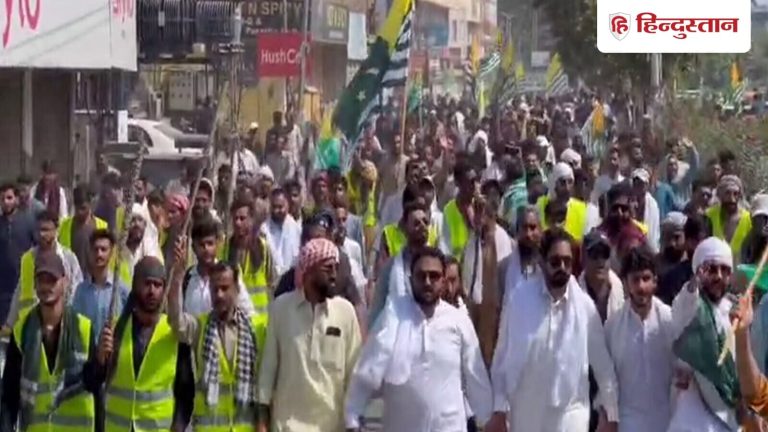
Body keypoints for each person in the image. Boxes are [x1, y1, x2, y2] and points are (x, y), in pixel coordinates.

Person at [345, 247, 492, 432]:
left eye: (434, 276)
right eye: (421, 276)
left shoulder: (458, 320)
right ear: (410, 279)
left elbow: (475, 373)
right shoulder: (393, 315)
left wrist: (487, 418)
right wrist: (352, 415)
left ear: (444, 280)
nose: (427, 282)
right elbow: (368, 366)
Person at [486, 228, 619, 432]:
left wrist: (610, 413)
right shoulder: (519, 299)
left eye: (567, 261)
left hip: (570, 414)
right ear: (541, 261)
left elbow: (603, 365)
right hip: (527, 414)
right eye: (555, 262)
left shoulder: (584, 307)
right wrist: (498, 409)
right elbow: (502, 357)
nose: (562, 268)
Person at [257, 238, 362, 432]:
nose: (334, 275)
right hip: (287, 426)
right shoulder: (281, 308)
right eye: (327, 269)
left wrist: (353, 423)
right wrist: (262, 421)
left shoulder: (345, 312)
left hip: (331, 427)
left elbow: (354, 374)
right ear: (309, 271)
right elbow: (268, 368)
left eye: (336, 268)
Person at [82, 257, 194, 432]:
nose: (152, 291)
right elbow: (91, 382)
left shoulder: (173, 334)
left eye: (157, 285)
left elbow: (186, 392)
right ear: (135, 285)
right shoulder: (117, 331)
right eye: (147, 284)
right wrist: (99, 360)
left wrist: (178, 427)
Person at [167, 239, 264, 431]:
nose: (219, 295)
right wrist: (177, 276)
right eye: (215, 289)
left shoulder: (256, 329)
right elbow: (176, 321)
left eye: (225, 288)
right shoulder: (201, 326)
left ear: (237, 289)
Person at [0, 252, 95, 431]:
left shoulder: (84, 329)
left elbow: (95, 384)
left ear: (65, 282)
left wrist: (101, 363)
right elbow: (9, 396)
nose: (46, 286)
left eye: (52, 280)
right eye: (41, 280)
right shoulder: (21, 332)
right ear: (35, 285)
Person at [668, 237, 739, 432]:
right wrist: (694, 284)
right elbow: (685, 304)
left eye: (725, 270)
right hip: (692, 419)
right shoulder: (691, 306)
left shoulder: (735, 311)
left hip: (729, 417)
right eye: (711, 269)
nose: (718, 276)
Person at [604, 246, 675, 432]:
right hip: (628, 421)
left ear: (655, 281)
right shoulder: (613, 326)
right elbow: (607, 380)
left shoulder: (669, 320)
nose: (641, 287)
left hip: (666, 420)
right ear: (626, 283)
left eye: (646, 278)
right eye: (635, 280)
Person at [461, 181, 512, 367]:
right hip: (472, 311)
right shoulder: (473, 237)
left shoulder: (501, 238)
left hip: (492, 314)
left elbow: (500, 280)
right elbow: (467, 277)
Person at [5, 211, 83, 327]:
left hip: (59, 322)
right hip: (31, 323)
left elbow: (77, 290)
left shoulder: (68, 258)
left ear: (56, 230)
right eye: (39, 230)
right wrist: (10, 322)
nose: (42, 234)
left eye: (46, 230)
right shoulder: (28, 258)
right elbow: (20, 291)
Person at [369, 201, 433, 328]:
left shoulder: (437, 265)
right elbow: (377, 311)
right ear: (404, 228)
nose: (422, 226)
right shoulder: (390, 268)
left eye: (425, 222)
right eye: (416, 223)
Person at [182, 217, 256, 317]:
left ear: (217, 244)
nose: (206, 249)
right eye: (201, 245)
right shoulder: (187, 279)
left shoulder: (228, 275)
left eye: (210, 243)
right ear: (193, 247)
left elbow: (249, 313)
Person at [70, 229, 130, 341]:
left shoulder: (121, 290)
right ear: (89, 252)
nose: (99, 254)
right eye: (95, 249)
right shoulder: (81, 291)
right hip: (87, 350)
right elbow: (74, 325)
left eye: (103, 249)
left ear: (111, 252)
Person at [0, 182, 36, 324]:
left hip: (23, 283)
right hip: (3, 287)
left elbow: (37, 247)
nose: (6, 202)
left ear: (16, 199)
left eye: (9, 198)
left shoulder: (28, 221)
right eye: (2, 199)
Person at [578, 230, 624, 323]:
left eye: (605, 253)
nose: (600, 260)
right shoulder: (574, 296)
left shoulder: (624, 294)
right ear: (583, 259)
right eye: (594, 254)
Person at [536, 162, 589, 243]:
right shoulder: (540, 206)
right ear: (553, 184)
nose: (567, 188)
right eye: (562, 182)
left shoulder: (582, 209)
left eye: (570, 182)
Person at [60, 184, 108, 272]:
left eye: (83, 208)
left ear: (90, 204)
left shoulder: (102, 227)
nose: (79, 212)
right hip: (71, 276)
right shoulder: (64, 227)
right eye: (77, 208)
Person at [707, 175, 751, 262]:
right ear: (720, 195)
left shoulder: (748, 219)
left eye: (736, 194)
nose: (732, 199)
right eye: (727, 193)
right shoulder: (710, 215)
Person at [442, 159, 480, 257]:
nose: (474, 185)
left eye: (475, 180)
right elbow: (445, 246)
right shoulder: (448, 211)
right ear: (457, 183)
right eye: (470, 182)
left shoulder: (480, 205)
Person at [262, 189, 301, 276]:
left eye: (280, 207)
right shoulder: (264, 230)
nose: (276, 211)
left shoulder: (295, 228)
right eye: (274, 207)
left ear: (287, 205)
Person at [630, 168, 661, 252]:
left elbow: (649, 232)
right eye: (635, 183)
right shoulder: (631, 201)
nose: (638, 186)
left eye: (641, 183)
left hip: (648, 248)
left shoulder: (651, 204)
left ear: (646, 185)